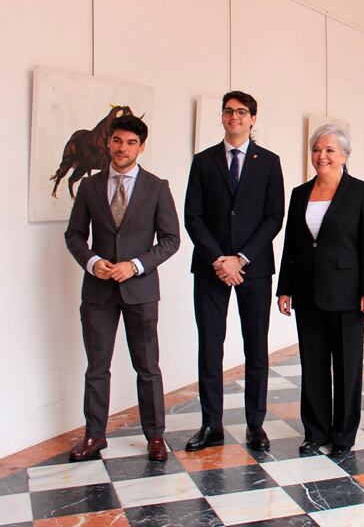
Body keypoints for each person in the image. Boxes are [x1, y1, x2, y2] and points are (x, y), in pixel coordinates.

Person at [64, 114, 180, 462]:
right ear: (108, 142)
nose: (122, 148)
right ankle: (94, 435)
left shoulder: (157, 187)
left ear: (141, 147)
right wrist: (91, 261)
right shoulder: (90, 187)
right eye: (117, 140)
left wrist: (136, 265)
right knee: (96, 366)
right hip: (97, 291)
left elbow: (171, 239)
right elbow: (74, 235)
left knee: (147, 367)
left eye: (131, 142)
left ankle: (155, 436)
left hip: (140, 291)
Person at [184, 90, 285, 452]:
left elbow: (274, 216)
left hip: (253, 268)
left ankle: (255, 424)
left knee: (256, 347)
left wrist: (240, 258)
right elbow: (192, 216)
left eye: (242, 112)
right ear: (222, 117)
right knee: (210, 347)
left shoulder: (269, 162)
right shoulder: (203, 161)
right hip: (210, 268)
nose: (235, 117)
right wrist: (219, 259)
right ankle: (211, 424)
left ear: (253, 118)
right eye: (229, 111)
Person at [276, 125, 364, 458]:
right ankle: (315, 431)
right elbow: (291, 245)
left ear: (344, 156)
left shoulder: (361, 192)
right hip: (307, 292)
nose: (321, 156)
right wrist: (284, 288)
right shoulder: (299, 193)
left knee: (347, 367)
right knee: (313, 365)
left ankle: (344, 434)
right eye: (317, 150)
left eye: (330, 150)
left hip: (347, 293)